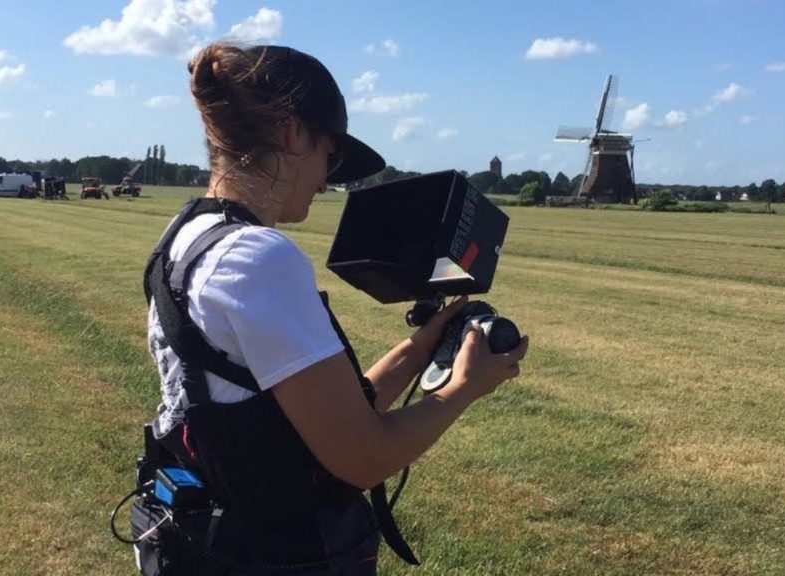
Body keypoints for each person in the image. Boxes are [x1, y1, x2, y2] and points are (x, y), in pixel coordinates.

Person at [136, 43, 529, 575]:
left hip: (218, 537)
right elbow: (361, 456)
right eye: (331, 156)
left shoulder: (188, 237)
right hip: (278, 552)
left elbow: (307, 415)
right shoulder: (257, 257)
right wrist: (463, 390)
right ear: (294, 134)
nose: (328, 180)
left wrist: (420, 349)